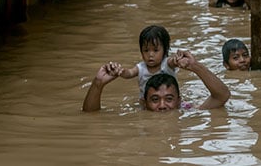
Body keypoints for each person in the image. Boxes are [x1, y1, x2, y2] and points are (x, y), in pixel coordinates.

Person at [82, 50, 231, 112]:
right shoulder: (139, 112)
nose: (162, 106)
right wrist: (98, 84)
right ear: (143, 103)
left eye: (169, 99)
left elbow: (222, 96)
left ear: (179, 101)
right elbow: (90, 115)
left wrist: (195, 66)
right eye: (154, 99)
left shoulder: (186, 110)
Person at [117, 25, 179, 100]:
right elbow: (130, 73)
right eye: (146, 50)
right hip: (146, 103)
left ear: (165, 50)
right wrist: (121, 71)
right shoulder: (140, 68)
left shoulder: (167, 64)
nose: (150, 55)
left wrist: (177, 60)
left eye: (155, 50)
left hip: (168, 101)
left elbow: (173, 62)